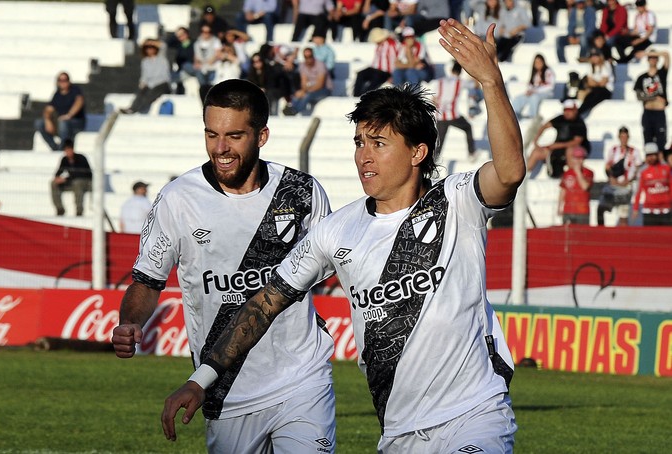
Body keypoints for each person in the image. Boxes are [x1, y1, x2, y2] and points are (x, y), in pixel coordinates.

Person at [162, 19, 522, 453]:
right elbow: (264, 302)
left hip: (475, 415)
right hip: (398, 433)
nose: (363, 157)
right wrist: (201, 380)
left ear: (417, 153)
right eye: (358, 143)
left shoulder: (457, 201)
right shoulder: (336, 231)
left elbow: (510, 171)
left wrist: (489, 81)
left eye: (378, 143)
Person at [112, 79, 336, 453]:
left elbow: (330, 271)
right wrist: (131, 321)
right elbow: (147, 281)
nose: (220, 148)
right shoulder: (178, 199)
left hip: (302, 377)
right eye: (211, 134)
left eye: (234, 136)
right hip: (222, 385)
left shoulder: (302, 193)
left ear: (262, 135)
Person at [527, 99, 590, 178]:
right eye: (565, 110)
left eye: (570, 110)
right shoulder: (560, 119)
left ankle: (572, 177)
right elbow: (544, 126)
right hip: (558, 148)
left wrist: (556, 145)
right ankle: (524, 176)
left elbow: (576, 142)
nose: (567, 112)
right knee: (536, 152)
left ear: (575, 110)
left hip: (576, 149)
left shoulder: (579, 123)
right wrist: (536, 141)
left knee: (570, 150)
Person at [597, 126, 642, 226]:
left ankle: (623, 236)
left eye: (625, 137)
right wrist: (611, 178)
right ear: (619, 137)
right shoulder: (613, 150)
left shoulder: (634, 152)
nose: (623, 139)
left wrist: (629, 180)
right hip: (613, 185)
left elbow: (638, 168)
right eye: (622, 137)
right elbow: (607, 166)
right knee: (601, 207)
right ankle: (600, 232)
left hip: (626, 186)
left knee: (623, 213)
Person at [434, 61, 477, 161]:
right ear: (460, 72)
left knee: (439, 143)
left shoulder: (440, 81)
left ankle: (432, 163)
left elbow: (434, 99)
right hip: (453, 116)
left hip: (440, 116)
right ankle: (471, 153)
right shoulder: (460, 82)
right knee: (468, 128)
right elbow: (475, 85)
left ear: (451, 70)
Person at [34, 72, 86, 151]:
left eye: (65, 80)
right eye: (60, 80)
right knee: (39, 123)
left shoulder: (75, 90)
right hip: (61, 122)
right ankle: (54, 147)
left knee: (63, 122)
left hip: (76, 122)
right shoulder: (57, 94)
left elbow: (79, 102)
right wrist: (47, 120)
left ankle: (63, 148)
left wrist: (69, 115)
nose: (63, 82)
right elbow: (48, 109)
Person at [120, 39, 171, 114]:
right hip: (150, 84)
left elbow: (163, 46)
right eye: (147, 48)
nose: (149, 50)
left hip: (163, 83)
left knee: (151, 93)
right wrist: (142, 83)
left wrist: (151, 42)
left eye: (151, 48)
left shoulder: (161, 58)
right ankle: (132, 109)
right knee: (141, 92)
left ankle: (141, 108)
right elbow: (144, 76)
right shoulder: (145, 62)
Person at [634, 49, 668, 152]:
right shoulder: (642, 77)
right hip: (648, 112)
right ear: (647, 60)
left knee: (661, 140)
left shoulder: (662, 74)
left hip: (659, 112)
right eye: (650, 58)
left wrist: (646, 53)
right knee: (648, 140)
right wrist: (655, 97)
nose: (653, 60)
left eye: (655, 58)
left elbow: (666, 55)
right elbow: (639, 96)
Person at [283, 47, 332, 116]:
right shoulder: (303, 66)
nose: (308, 59)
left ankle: (294, 110)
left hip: (324, 89)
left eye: (310, 56)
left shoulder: (320, 65)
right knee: (298, 94)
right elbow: (304, 82)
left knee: (308, 95)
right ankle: (291, 107)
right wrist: (303, 91)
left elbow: (320, 84)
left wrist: (306, 91)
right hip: (311, 89)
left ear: (313, 55)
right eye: (306, 57)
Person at [632, 142, 672, 226]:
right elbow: (638, 192)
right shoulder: (643, 172)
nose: (651, 158)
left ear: (657, 155)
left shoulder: (666, 168)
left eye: (653, 155)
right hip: (649, 212)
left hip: (666, 210)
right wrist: (635, 209)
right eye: (649, 155)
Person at [50, 139, 93, 217]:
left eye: (69, 149)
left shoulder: (81, 158)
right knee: (53, 183)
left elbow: (82, 175)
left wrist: (65, 179)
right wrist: (58, 178)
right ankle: (60, 209)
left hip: (86, 183)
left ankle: (79, 211)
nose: (67, 152)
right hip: (72, 182)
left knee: (77, 183)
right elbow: (58, 172)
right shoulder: (64, 160)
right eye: (66, 150)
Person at [352, 28, 398, 96]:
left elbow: (394, 61)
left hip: (385, 72)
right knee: (361, 74)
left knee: (376, 78)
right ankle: (356, 95)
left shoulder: (391, 45)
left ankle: (365, 96)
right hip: (375, 69)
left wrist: (392, 75)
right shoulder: (379, 46)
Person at [511, 53, 555, 119]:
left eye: (539, 62)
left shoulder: (548, 71)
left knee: (534, 97)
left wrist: (535, 91)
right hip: (534, 92)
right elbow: (531, 84)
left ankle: (532, 117)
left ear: (543, 62)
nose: (538, 64)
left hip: (546, 93)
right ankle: (515, 116)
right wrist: (530, 90)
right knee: (518, 98)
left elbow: (550, 86)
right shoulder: (535, 73)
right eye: (536, 62)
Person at [558, 145, 594, 225]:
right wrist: (560, 206)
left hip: (582, 211)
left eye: (581, 158)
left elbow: (585, 187)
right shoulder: (567, 173)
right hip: (568, 210)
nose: (578, 161)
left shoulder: (589, 173)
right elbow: (563, 190)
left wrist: (578, 172)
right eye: (576, 158)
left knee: (582, 235)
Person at [576, 48, 613, 119]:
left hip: (606, 90)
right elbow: (590, 82)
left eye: (596, 56)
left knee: (594, 96)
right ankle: (579, 112)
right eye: (592, 56)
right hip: (595, 90)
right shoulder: (590, 66)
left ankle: (579, 112)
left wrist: (595, 83)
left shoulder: (606, 65)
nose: (594, 58)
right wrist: (596, 83)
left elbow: (603, 82)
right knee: (589, 97)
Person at [193, 24, 223, 98]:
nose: (205, 33)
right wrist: (197, 62)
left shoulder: (216, 41)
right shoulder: (197, 42)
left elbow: (217, 54)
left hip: (213, 66)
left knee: (210, 83)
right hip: (202, 67)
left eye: (207, 31)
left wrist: (208, 63)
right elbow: (196, 56)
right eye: (203, 31)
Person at [166, 27, 197, 95]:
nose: (180, 37)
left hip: (191, 68)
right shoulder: (178, 45)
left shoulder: (194, 43)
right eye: (178, 35)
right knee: (168, 77)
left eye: (182, 34)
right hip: (181, 70)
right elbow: (168, 43)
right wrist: (174, 35)